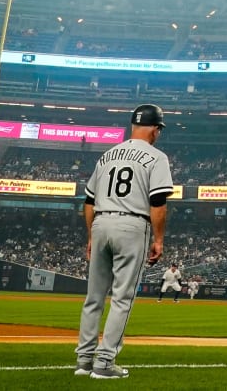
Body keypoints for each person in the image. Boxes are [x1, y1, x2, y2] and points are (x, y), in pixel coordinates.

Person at [75, 104, 174, 379]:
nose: (158, 134)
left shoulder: (107, 155)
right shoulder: (156, 157)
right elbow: (158, 202)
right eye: (159, 129)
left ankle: (83, 361)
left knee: (93, 297)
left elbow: (89, 201)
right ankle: (104, 363)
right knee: (122, 298)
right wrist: (159, 240)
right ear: (155, 129)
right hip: (132, 224)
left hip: (101, 222)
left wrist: (92, 235)